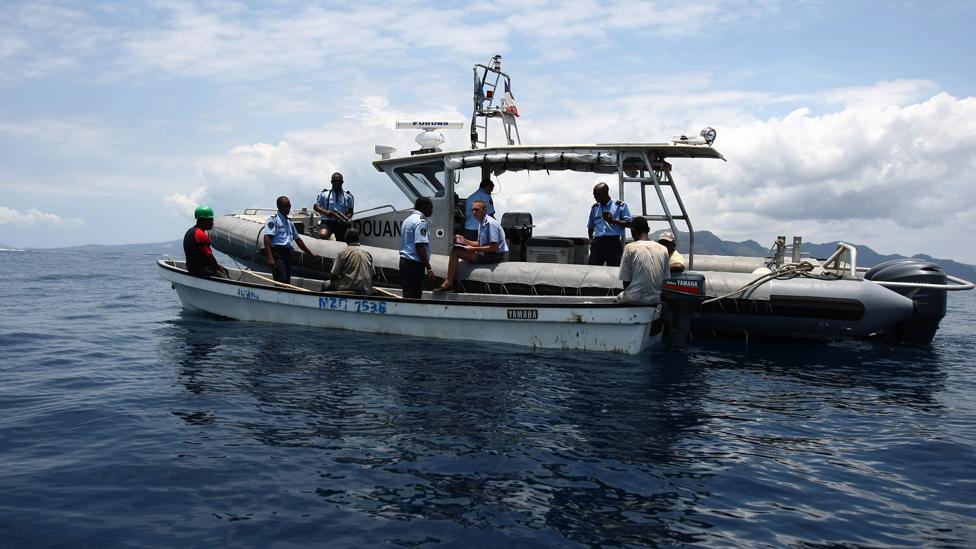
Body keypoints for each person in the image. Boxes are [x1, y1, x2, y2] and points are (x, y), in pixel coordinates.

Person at [438, 199, 508, 292]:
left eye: (477, 210)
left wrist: (473, 249)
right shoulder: (481, 222)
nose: (474, 212)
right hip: (488, 253)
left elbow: (495, 247)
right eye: (473, 210)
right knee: (457, 248)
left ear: (485, 210)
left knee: (455, 252)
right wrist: (464, 241)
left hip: (494, 255)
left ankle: (449, 282)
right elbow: (479, 243)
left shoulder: (490, 224)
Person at [263, 196, 317, 284]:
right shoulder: (273, 220)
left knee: (287, 280)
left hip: (287, 253)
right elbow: (267, 238)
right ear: (279, 207)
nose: (288, 209)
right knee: (281, 280)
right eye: (285, 206)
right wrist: (270, 258)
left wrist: (310, 253)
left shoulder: (289, 222)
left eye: (289, 206)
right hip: (277, 253)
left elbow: (298, 240)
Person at [616, 216, 670, 306]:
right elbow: (665, 280)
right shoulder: (663, 249)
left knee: (617, 298)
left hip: (634, 298)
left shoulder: (630, 247)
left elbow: (626, 281)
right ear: (648, 230)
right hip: (656, 299)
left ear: (632, 230)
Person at [587, 182, 632, 267]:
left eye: (597, 194)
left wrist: (612, 221)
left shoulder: (620, 206)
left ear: (605, 193)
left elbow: (629, 223)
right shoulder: (595, 208)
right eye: (594, 195)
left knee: (615, 270)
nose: (595, 197)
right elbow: (590, 226)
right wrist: (591, 240)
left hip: (613, 243)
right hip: (598, 242)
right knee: (592, 270)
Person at [399, 196, 435, 299]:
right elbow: (420, 247)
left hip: (405, 262)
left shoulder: (408, 220)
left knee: (408, 294)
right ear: (424, 207)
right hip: (414, 265)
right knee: (414, 296)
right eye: (431, 207)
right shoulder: (421, 222)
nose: (432, 210)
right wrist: (429, 268)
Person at [183, 205, 229, 278]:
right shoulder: (200, 234)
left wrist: (216, 266)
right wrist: (218, 267)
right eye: (211, 220)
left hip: (191, 268)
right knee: (225, 277)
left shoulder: (190, 231)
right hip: (200, 270)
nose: (212, 223)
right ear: (204, 220)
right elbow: (208, 256)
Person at [329, 228, 374, 294]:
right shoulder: (367, 253)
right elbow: (372, 274)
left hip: (348, 287)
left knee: (326, 284)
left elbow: (333, 275)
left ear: (346, 239)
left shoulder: (343, 253)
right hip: (365, 288)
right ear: (358, 238)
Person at [314, 172, 354, 241]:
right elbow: (316, 206)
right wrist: (327, 212)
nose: (337, 183)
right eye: (335, 181)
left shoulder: (348, 195)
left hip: (341, 223)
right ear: (331, 182)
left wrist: (345, 218)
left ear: (342, 182)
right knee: (323, 235)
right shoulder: (324, 194)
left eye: (339, 181)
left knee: (342, 242)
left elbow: (351, 210)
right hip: (327, 222)